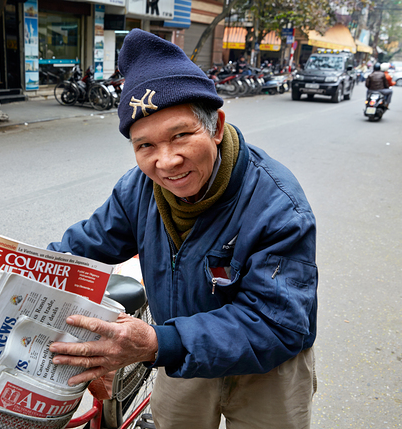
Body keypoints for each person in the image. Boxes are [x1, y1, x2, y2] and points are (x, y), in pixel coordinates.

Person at [47, 29, 318, 429]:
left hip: (268, 368)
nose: (167, 161)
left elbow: (277, 325)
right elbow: (82, 248)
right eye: (145, 146)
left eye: (181, 135)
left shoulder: (278, 205)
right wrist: (2, 275)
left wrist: (159, 342)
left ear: (216, 127)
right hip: (183, 357)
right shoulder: (138, 189)